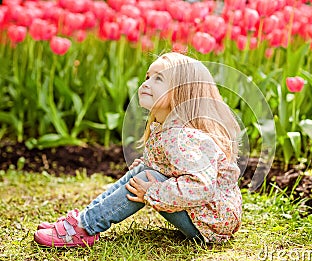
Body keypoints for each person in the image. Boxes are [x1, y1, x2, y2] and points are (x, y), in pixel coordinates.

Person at [33, 52, 242, 247]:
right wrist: (148, 170)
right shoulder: (166, 129)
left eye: (158, 79)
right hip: (201, 215)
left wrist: (152, 191)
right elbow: (173, 168)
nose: (146, 83)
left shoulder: (183, 137)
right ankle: (84, 221)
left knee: (145, 177)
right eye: (148, 76)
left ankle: (85, 228)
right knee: (142, 172)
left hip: (211, 224)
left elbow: (202, 188)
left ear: (183, 92)